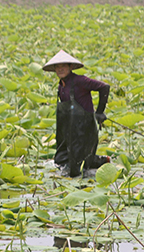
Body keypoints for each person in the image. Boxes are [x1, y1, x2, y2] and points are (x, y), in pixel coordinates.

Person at [43, 50, 111, 178]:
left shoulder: (80, 81)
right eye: (57, 66)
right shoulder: (61, 86)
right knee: (60, 159)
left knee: (76, 167)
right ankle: (101, 160)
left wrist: (100, 111)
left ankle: (97, 167)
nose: (60, 69)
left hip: (84, 130)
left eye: (63, 66)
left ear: (70, 67)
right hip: (67, 130)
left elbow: (104, 87)